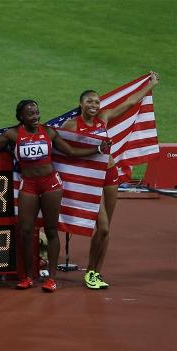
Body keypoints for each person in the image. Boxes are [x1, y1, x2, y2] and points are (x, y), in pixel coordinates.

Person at [0, 100, 109, 292]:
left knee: (51, 230)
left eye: (37, 112)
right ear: (21, 116)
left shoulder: (48, 132)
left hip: (50, 184)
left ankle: (52, 278)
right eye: (30, 113)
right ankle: (28, 276)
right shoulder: (13, 134)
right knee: (24, 230)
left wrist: (97, 149)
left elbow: (71, 151)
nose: (35, 116)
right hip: (29, 185)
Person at [62, 71, 160, 289]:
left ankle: (95, 273)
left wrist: (150, 85)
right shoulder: (71, 125)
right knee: (103, 227)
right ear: (80, 103)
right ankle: (90, 272)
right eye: (89, 101)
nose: (94, 104)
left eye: (97, 101)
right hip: (90, 179)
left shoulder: (103, 118)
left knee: (106, 229)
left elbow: (129, 102)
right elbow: (64, 152)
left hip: (110, 174)